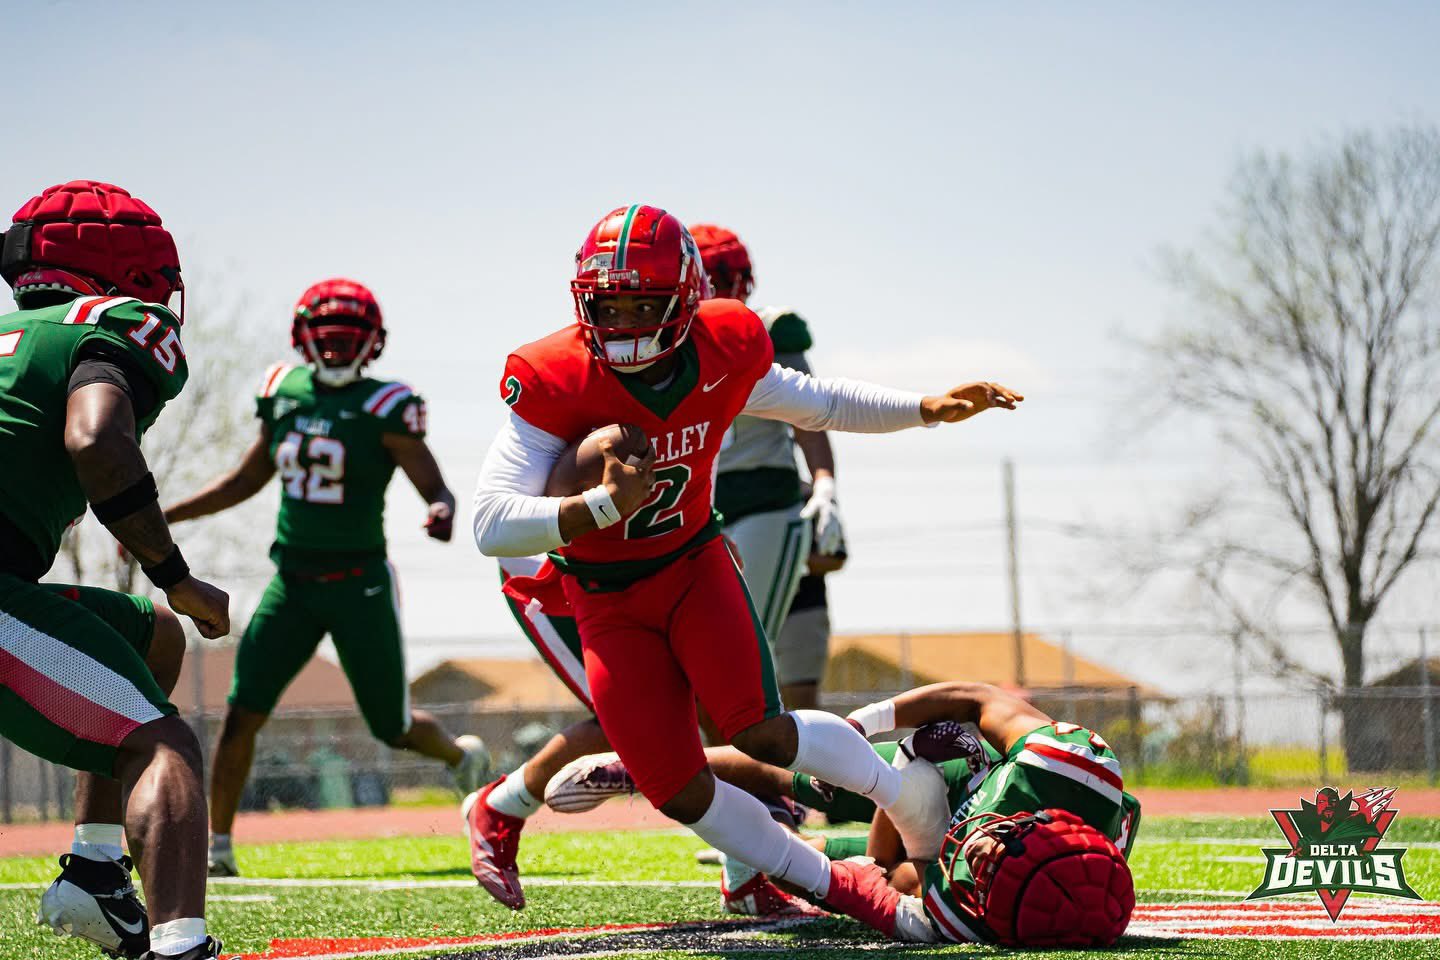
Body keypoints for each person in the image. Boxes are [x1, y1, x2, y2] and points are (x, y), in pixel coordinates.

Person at [470, 202, 1023, 924]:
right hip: (603, 598)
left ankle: (902, 798)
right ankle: (829, 882)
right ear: (585, 302)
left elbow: (815, 403)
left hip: (693, 565)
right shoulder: (552, 374)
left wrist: (922, 407)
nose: (630, 322)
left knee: (758, 728)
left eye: (647, 303)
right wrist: (599, 508)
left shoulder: (726, 344)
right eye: (613, 305)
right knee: (676, 786)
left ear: (688, 301)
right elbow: (489, 523)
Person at [164, 278, 487, 877]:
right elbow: (245, 479)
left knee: (390, 727)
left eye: (349, 341)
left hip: (359, 583)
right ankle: (219, 849)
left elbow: (434, 484)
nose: (336, 352)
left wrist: (442, 508)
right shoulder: (282, 391)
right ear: (302, 340)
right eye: (327, 339)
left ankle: (460, 757)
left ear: (374, 345)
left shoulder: (387, 406)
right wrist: (168, 514)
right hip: (292, 582)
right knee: (242, 712)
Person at [1, 180, 228, 960]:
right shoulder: (112, 324)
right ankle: (179, 946)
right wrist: (174, 571)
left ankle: (98, 872)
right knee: (164, 745)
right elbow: (97, 441)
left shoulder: (14, 339)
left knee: (152, 639)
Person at [550, 681, 1140, 946]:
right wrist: (867, 728)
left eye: (981, 875)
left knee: (817, 863)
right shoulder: (1064, 764)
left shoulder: (964, 916)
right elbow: (979, 698)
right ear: (1039, 820)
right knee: (813, 781)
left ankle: (734, 843)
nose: (978, 855)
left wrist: (906, 772)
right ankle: (643, 764)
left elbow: (875, 872)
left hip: (935, 839)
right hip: (978, 768)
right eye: (1000, 850)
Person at [689, 223, 842, 712]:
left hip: (764, 500)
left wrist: (824, 485)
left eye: (725, 276)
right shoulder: (663, 341)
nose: (720, 288)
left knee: (745, 646)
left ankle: (772, 776)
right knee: (698, 651)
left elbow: (811, 415)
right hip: (694, 509)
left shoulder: (772, 329)